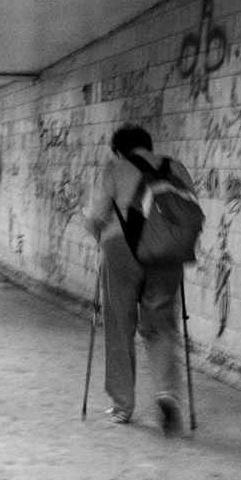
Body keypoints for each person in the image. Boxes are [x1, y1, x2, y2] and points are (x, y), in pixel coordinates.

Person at [80, 125, 192, 433]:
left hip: (121, 250)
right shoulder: (176, 167)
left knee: (120, 324)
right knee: (162, 326)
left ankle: (122, 405)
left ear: (119, 150)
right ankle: (167, 392)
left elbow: (98, 216)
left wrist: (91, 226)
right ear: (148, 145)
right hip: (167, 253)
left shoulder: (114, 169)